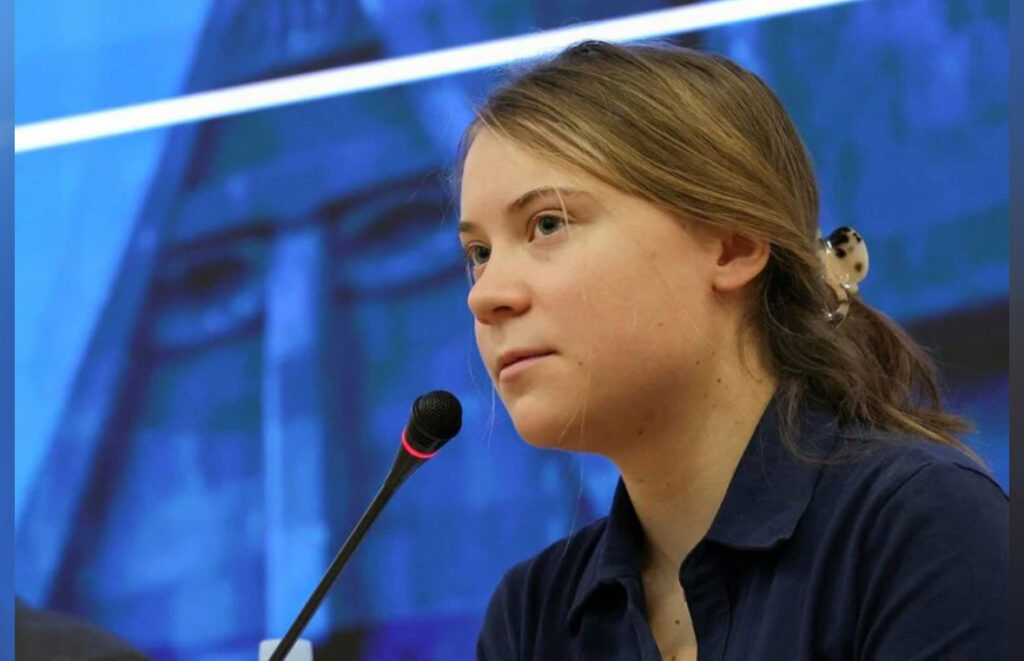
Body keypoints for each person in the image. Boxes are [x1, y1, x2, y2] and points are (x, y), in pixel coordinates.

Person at [455, 40, 1008, 660]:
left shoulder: (919, 526)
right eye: (479, 254)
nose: (486, 296)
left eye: (547, 224)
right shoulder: (533, 615)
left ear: (733, 244)